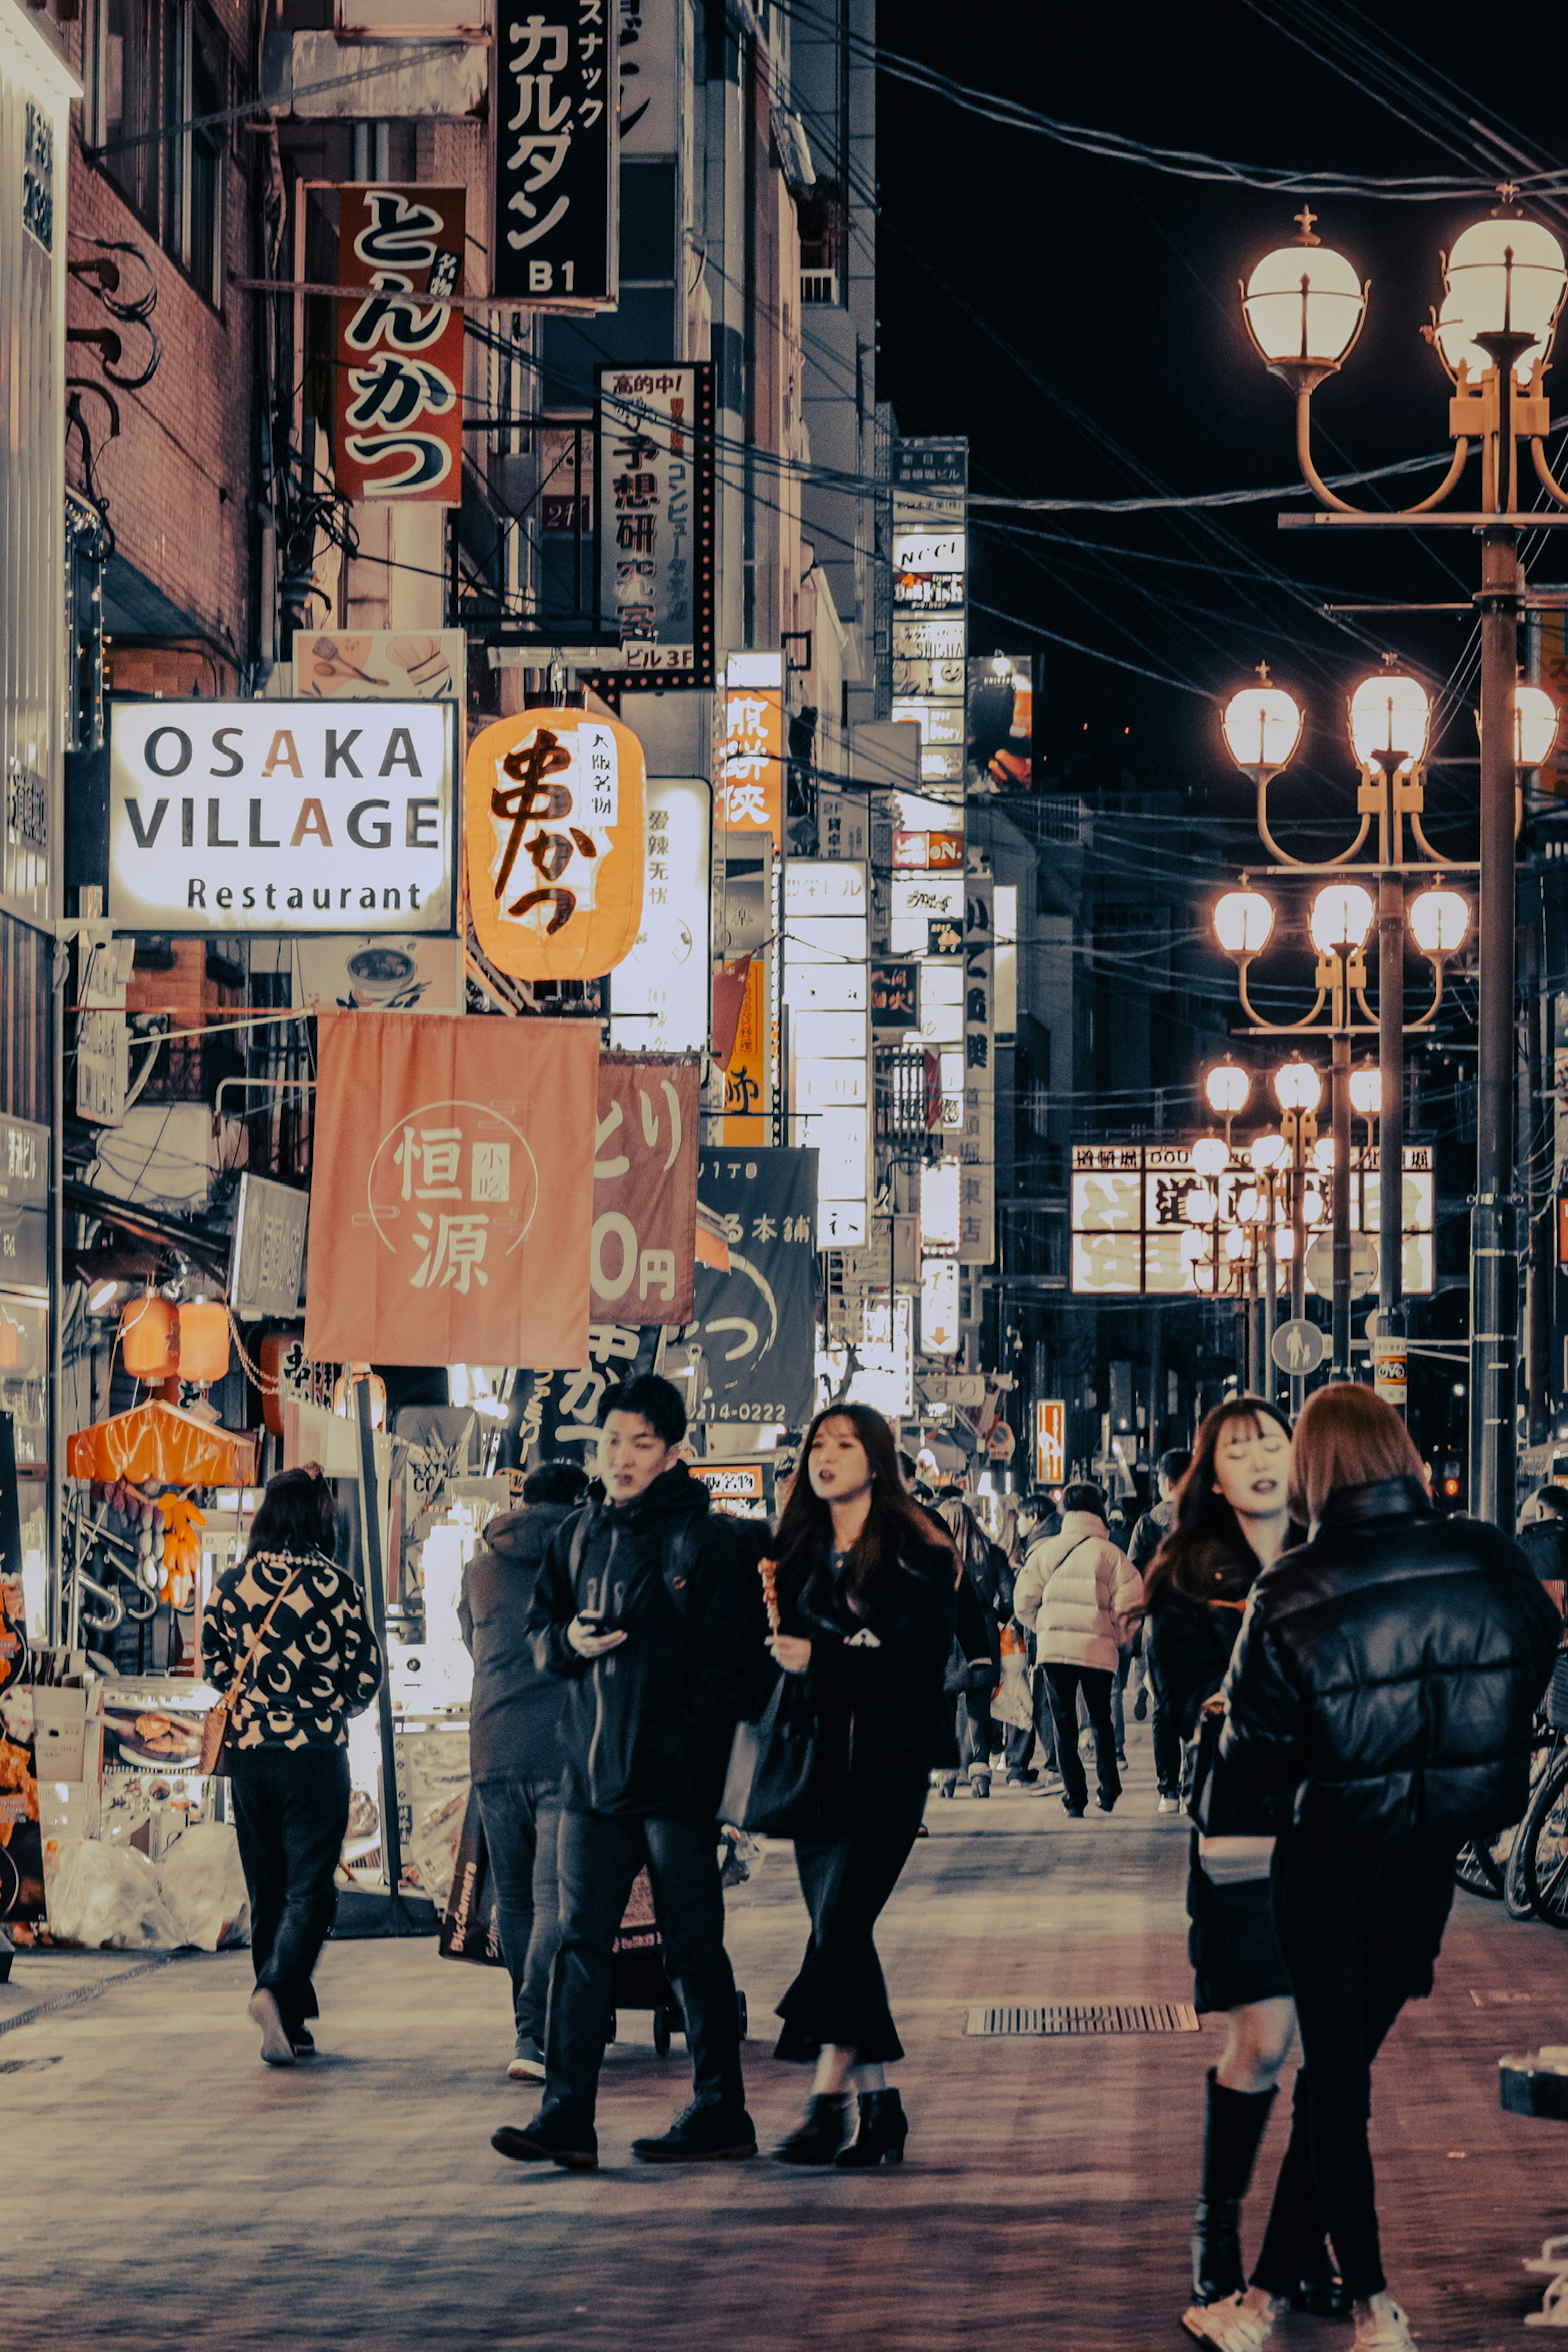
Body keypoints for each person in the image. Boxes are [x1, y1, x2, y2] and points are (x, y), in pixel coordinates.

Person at [1197, 1385, 1559, 2352]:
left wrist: (1223, 1735)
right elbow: (1533, 1653)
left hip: (1323, 1864)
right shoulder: (1485, 1553)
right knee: (1335, 2077)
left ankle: (1373, 2302)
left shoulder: (1292, 1588)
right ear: (1398, 1449)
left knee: (1338, 2087)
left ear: (1314, 1466)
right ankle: (1263, 2293)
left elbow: (1252, 1763)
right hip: (1427, 1867)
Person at [494, 1375, 769, 2173]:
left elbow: (736, 1674)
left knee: (692, 1949)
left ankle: (722, 2109)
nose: (621, 1457)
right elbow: (539, 1634)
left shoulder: (705, 1545)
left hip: (675, 1787)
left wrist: (679, 1744)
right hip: (589, 1781)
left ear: (674, 1452)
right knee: (580, 1948)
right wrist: (569, 1645)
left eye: (640, 1443)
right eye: (611, 1441)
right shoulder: (578, 1536)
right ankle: (565, 2118)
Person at [1141, 1401, 1345, 2336]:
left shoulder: (1338, 1553)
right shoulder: (1189, 1577)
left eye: (1271, 1440)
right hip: (1242, 1831)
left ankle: (1300, 2249)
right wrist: (1225, 1692)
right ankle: (1214, 2234)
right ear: (1211, 1476)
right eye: (1237, 1447)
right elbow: (1185, 1700)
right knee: (1263, 2039)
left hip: (1341, 1830)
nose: (1258, 1457)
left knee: (1335, 2053)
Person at [766, 1404, 958, 2167]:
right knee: (839, 1938)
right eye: (818, 1444)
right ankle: (880, 2109)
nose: (827, 1457)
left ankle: (823, 2103)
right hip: (814, 1767)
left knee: (840, 1929)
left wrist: (825, 1663)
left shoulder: (918, 1550)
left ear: (876, 1461)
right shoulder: (794, 1551)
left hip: (888, 1764)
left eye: (845, 1445)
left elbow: (920, 1668)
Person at [202, 1463, 382, 2067]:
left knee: (269, 1887)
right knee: (312, 1892)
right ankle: (275, 1991)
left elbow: (213, 1669)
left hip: (251, 1761)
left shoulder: (230, 1585)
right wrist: (327, 1703)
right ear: (316, 1518)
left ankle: (292, 2024)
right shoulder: (338, 1587)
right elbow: (365, 1681)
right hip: (317, 1758)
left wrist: (259, 1704)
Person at [459, 1457, 588, 2082]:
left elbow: (474, 1644)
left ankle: (527, 2032)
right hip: (565, 1745)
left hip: (494, 1742)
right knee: (552, 1903)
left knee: (514, 1901)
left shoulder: (480, 1569)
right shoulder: (588, 1557)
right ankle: (535, 2032)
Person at [1013, 1480, 1141, 1817]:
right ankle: (1109, 1790)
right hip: (1098, 1648)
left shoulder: (1046, 1552)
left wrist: (1043, 1626)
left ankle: (1075, 1799)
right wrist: (1117, 1634)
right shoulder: (1112, 1555)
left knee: (1064, 1723)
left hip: (1055, 1650)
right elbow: (1131, 1604)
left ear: (1065, 1512)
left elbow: (1023, 1600)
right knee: (1101, 1718)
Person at [1131, 1447, 1192, 1804]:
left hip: (1161, 1625)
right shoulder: (1211, 1519)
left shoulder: (1148, 1524)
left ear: (1167, 1482)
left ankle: (1168, 1790)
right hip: (1206, 1620)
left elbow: (1133, 1574)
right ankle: (1197, 1783)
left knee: (1164, 1705)